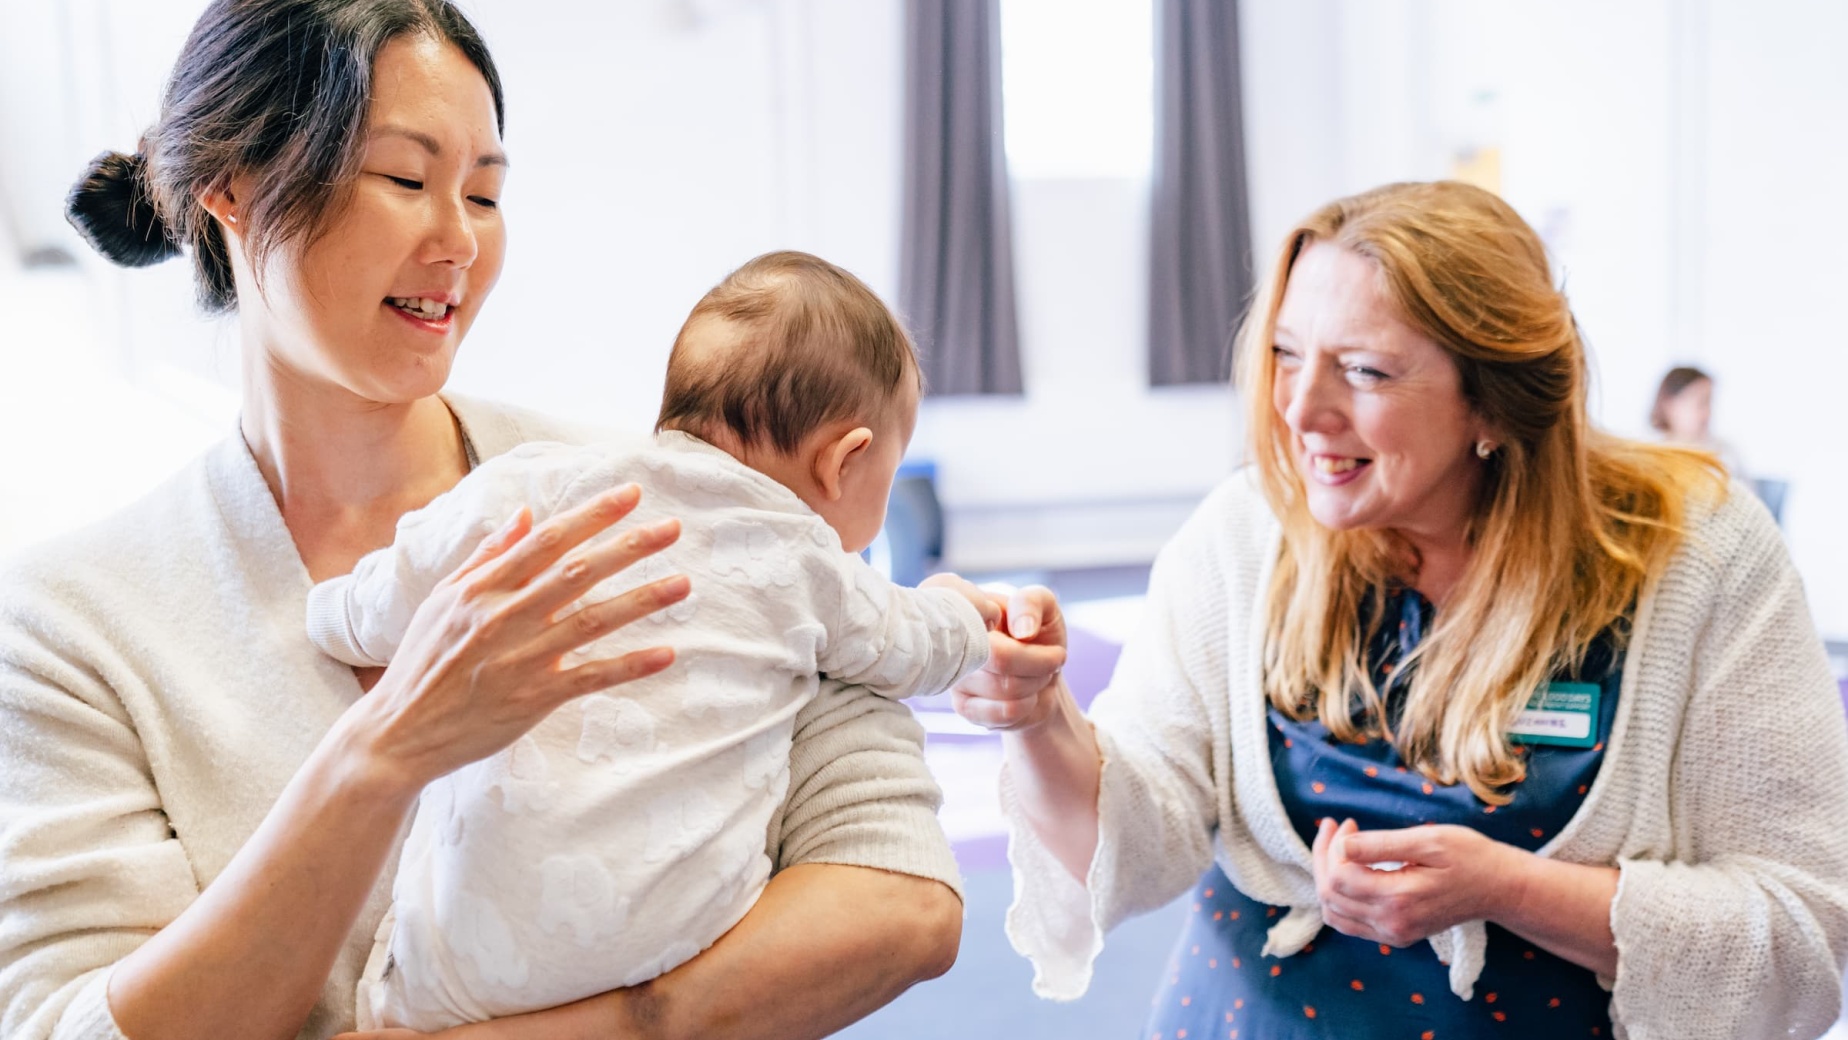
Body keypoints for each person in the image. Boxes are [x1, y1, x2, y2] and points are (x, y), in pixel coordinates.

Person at [0, 4, 962, 1039]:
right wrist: (384, 750)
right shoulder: (70, 621)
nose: (457, 240)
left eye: (486, 193)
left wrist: (628, 1019)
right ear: (232, 189)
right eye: (407, 181)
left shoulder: (648, 498)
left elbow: (900, 890)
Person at [950, 181, 1848, 1038]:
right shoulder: (1242, 538)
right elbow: (1132, 848)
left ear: (1491, 400)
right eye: (1286, 354)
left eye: (1365, 370)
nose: (1301, 410)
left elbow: (1807, 931)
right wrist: (1037, 718)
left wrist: (1508, 888)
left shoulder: (1694, 557)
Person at [311, 250, 994, 1030]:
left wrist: (331, 614)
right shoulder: (808, 561)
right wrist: (967, 614)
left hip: (465, 961)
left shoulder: (540, 484)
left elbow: (398, 587)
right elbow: (911, 649)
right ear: (846, 461)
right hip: (672, 945)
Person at [1650, 364, 1746, 477]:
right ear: (1669, 405)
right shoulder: (1649, 457)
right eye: (1701, 403)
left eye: (1709, 402)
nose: (1707, 413)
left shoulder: (1727, 454)